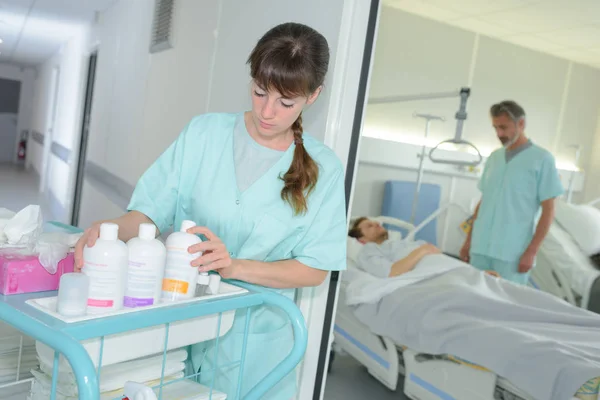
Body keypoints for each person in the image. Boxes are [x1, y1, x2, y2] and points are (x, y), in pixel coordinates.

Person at [74, 22, 347, 399]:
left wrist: (234, 266)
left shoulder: (324, 169)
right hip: (179, 330)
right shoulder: (203, 134)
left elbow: (315, 269)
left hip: (259, 352)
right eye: (259, 92)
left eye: (286, 103)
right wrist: (107, 229)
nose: (268, 111)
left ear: (312, 97)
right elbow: (149, 212)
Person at [459, 100, 564, 285]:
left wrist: (531, 251)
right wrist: (469, 241)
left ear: (521, 124)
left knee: (504, 309)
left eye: (504, 127)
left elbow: (549, 212)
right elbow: (484, 203)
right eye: (495, 128)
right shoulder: (494, 158)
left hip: (512, 254)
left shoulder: (542, 159)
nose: (499, 134)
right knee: (473, 302)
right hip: (480, 248)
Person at [348, 217, 499, 278]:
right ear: (361, 238)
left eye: (377, 223)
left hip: (445, 265)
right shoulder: (368, 251)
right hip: (430, 269)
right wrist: (423, 250)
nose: (377, 224)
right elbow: (392, 272)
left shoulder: (398, 244)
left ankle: (477, 275)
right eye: (369, 226)